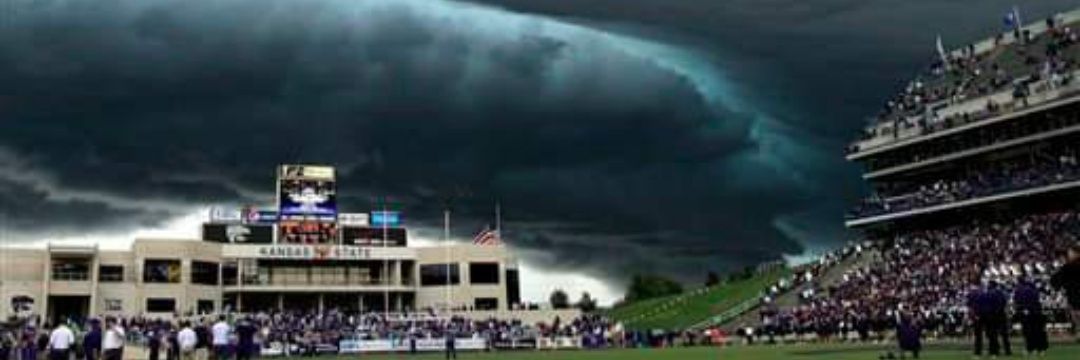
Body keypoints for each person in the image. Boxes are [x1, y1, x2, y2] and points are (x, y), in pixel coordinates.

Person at [1051, 242, 1080, 341]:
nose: (1069, 254)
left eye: (1070, 253)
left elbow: (1056, 279)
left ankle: (1079, 332)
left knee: (1076, 314)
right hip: (1073, 294)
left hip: (1075, 294)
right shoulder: (1068, 266)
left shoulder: (1069, 266)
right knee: (1075, 314)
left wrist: (1057, 286)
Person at [1013, 278, 1049, 354]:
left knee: (1028, 332)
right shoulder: (1035, 291)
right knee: (1038, 331)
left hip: (1027, 313)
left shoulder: (1020, 291)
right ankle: (1041, 348)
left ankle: (1031, 348)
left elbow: (1017, 302)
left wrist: (1023, 309)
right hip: (1037, 313)